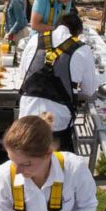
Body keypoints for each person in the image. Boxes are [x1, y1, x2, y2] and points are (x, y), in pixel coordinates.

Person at [19, 13, 97, 152]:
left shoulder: (35, 39)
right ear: (77, 33)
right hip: (58, 124)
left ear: (56, 27)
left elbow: (22, 74)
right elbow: (89, 90)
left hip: (27, 114)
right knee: (55, 163)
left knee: (27, 154)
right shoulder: (82, 49)